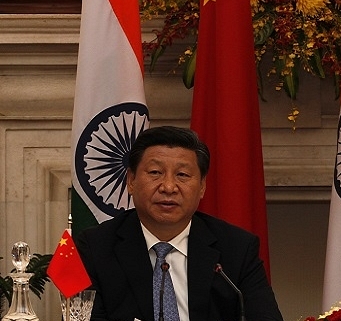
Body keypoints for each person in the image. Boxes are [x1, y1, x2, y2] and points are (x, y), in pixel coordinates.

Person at [76, 126, 283, 321]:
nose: (168, 187)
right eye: (155, 172)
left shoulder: (236, 248)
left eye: (182, 175)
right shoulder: (96, 247)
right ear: (131, 180)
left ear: (202, 187)